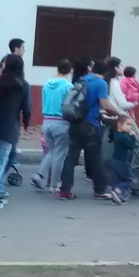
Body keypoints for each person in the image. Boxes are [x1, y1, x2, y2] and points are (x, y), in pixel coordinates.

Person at [59, 57, 119, 203]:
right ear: (105, 71)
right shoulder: (101, 83)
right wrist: (118, 114)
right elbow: (106, 105)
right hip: (90, 125)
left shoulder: (81, 80)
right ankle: (100, 190)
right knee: (95, 159)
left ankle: (65, 190)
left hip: (75, 122)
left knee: (70, 157)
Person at [0, 54, 31, 206]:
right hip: (8, 128)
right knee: (1, 162)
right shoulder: (23, 85)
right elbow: (27, 109)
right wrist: (26, 125)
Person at [32, 58, 74, 191]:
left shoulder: (46, 84)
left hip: (47, 121)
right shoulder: (68, 86)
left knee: (51, 151)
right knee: (60, 155)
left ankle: (39, 174)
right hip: (61, 122)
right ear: (69, 71)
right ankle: (54, 184)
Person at [109, 114, 139, 202]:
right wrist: (133, 136)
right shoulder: (123, 137)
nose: (130, 127)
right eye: (128, 124)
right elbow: (131, 146)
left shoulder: (116, 134)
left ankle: (115, 196)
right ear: (120, 124)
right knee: (128, 179)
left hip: (114, 160)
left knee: (116, 180)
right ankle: (118, 191)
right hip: (123, 161)